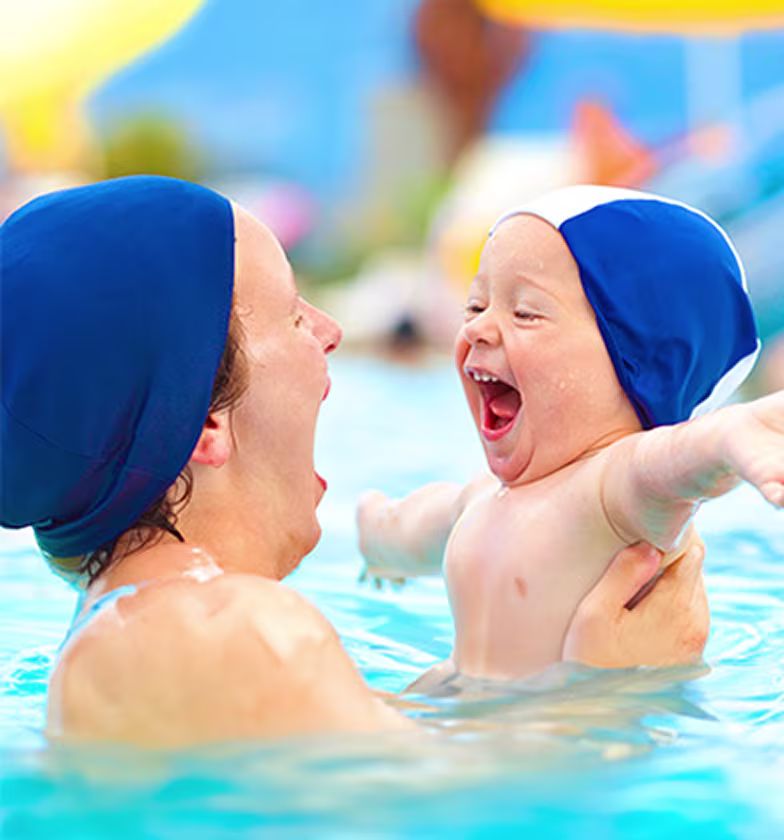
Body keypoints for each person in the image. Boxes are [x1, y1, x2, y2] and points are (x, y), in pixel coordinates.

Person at [1, 176, 709, 748]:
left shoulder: (152, 632)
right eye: (292, 314)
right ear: (205, 420)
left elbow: (401, 753)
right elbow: (465, 818)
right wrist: (604, 697)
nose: (331, 331)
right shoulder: (222, 631)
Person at [357, 184, 781, 682]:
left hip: (569, 729)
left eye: (525, 313)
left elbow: (676, 461)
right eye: (475, 306)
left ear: (639, 368)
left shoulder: (611, 493)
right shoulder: (482, 497)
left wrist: (731, 437)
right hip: (465, 709)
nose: (477, 329)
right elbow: (412, 527)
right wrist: (378, 534)